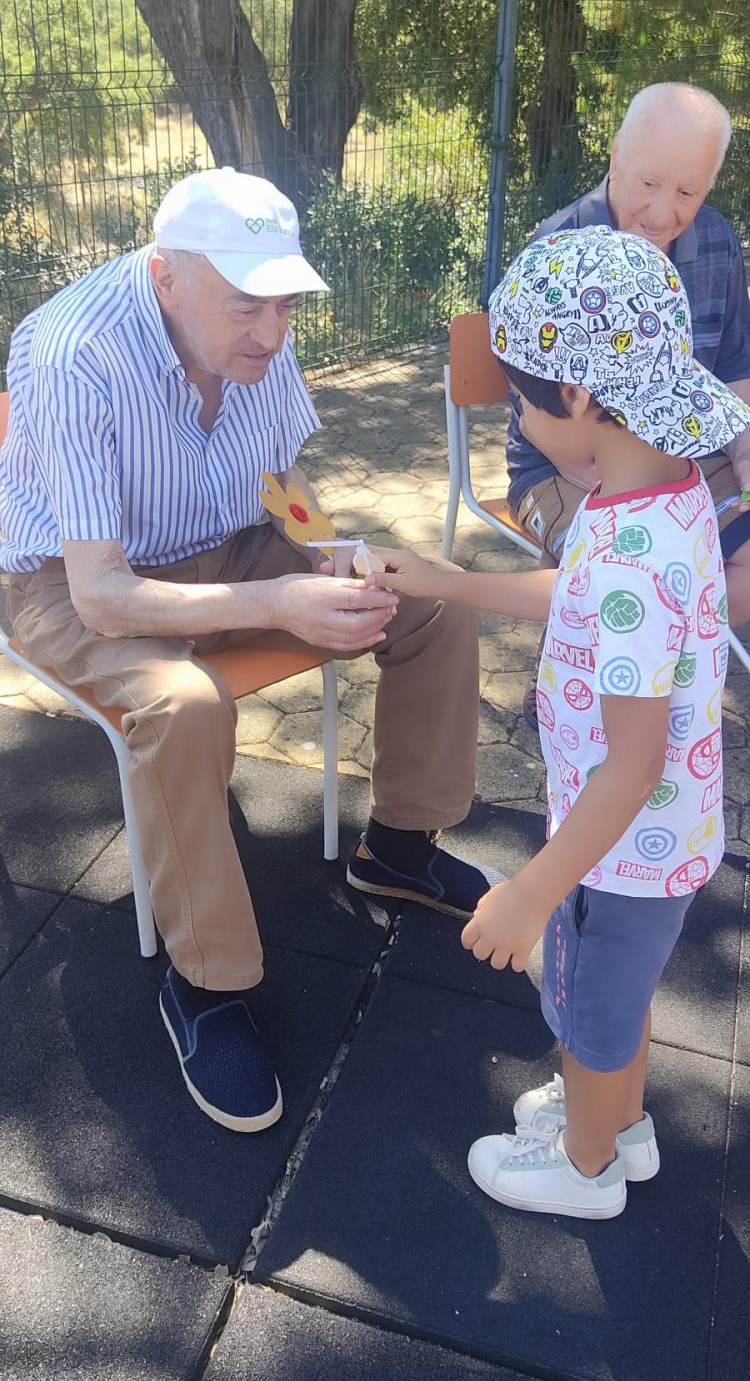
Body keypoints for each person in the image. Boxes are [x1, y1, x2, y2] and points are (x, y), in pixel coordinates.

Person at [0, 166, 486, 1135]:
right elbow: (101, 596)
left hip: (222, 544)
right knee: (183, 704)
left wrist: (330, 553)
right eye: (246, 303)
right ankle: (206, 983)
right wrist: (278, 597)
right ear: (166, 274)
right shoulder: (70, 352)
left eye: (284, 301)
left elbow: (280, 474)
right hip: (71, 581)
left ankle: (397, 847)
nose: (272, 329)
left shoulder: (258, 337)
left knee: (424, 598)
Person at [375, 223, 750, 1219]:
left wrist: (534, 892)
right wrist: (451, 581)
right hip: (661, 835)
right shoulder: (659, 495)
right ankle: (618, 1127)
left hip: (615, 844)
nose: (518, 424)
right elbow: (578, 596)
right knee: (616, 999)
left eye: (521, 404)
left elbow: (631, 763)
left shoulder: (629, 547)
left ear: (578, 398)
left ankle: (585, 1169)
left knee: (589, 1007)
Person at [506, 83, 750, 723]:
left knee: (723, 564)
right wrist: (634, 501)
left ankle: (657, 652)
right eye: (649, 183)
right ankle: (583, 664)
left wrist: (744, 452)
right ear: (615, 155)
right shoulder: (559, 248)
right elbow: (545, 420)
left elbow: (734, 367)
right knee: (624, 565)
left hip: (683, 457)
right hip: (561, 465)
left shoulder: (718, 244)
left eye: (688, 192)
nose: (665, 213)